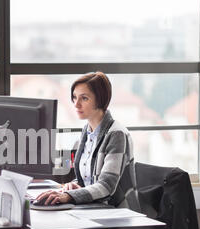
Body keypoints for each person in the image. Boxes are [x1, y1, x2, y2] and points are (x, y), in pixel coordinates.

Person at [36, 71, 140, 212]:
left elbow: (106, 186)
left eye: (84, 98)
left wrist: (68, 196)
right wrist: (73, 185)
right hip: (93, 208)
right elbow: (86, 180)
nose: (76, 104)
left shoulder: (116, 134)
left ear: (100, 100)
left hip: (116, 213)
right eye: (74, 97)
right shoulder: (87, 130)